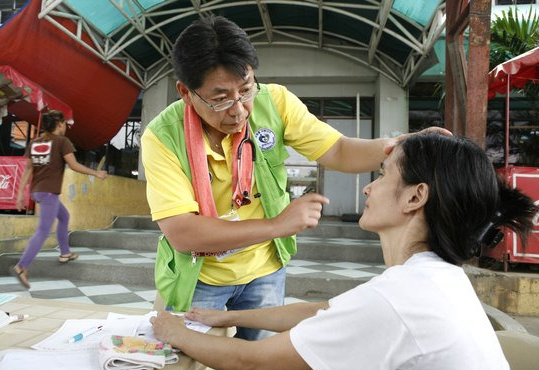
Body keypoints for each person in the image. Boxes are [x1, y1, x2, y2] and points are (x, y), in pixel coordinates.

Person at [141, 15, 448, 341]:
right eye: (220, 99)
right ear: (185, 92)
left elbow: (340, 150)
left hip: (264, 270)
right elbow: (183, 233)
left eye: (246, 90)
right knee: (189, 360)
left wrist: (400, 145)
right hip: (199, 276)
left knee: (260, 356)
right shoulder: (162, 137)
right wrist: (279, 225)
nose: (239, 110)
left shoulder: (274, 102)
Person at [150, 133, 537, 370]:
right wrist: (230, 315)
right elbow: (326, 311)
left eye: (383, 174)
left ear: (416, 197)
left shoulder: (399, 299)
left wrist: (173, 330)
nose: (369, 189)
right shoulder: (431, 275)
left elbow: (252, 362)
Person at [13, 110, 107, 289]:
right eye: (64, 124)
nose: (65, 128)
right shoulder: (62, 142)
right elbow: (74, 165)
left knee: (63, 217)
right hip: (49, 193)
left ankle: (65, 253)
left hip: (38, 192)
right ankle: (21, 266)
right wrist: (96, 173)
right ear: (60, 124)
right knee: (43, 231)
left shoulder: (35, 142)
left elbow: (27, 170)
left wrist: (20, 194)